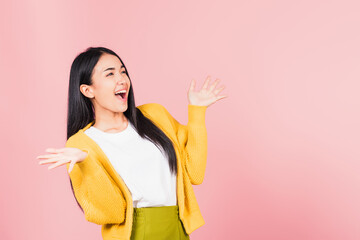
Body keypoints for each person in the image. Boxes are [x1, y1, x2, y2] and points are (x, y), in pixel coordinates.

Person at [37, 46, 227, 240]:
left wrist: (197, 112)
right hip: (135, 232)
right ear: (88, 90)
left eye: (123, 71)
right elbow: (113, 213)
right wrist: (88, 164)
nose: (122, 79)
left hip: (177, 227)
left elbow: (195, 173)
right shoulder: (82, 143)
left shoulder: (155, 115)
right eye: (110, 74)